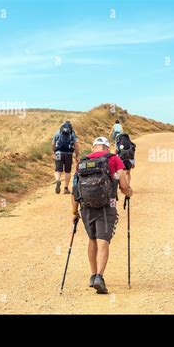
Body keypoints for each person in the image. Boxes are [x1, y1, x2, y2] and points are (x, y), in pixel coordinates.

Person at [72, 136, 133, 294]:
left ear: (94, 148)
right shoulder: (114, 159)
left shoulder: (82, 162)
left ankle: (93, 276)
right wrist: (129, 192)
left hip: (85, 208)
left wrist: (74, 212)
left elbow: (75, 189)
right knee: (103, 240)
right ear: (107, 148)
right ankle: (100, 276)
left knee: (92, 239)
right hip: (107, 206)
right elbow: (124, 184)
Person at [52, 121, 79, 194]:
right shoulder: (72, 133)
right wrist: (77, 156)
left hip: (58, 153)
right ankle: (66, 188)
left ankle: (58, 180)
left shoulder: (57, 132)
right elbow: (76, 145)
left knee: (58, 170)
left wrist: (54, 152)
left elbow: (53, 143)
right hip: (68, 154)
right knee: (68, 171)